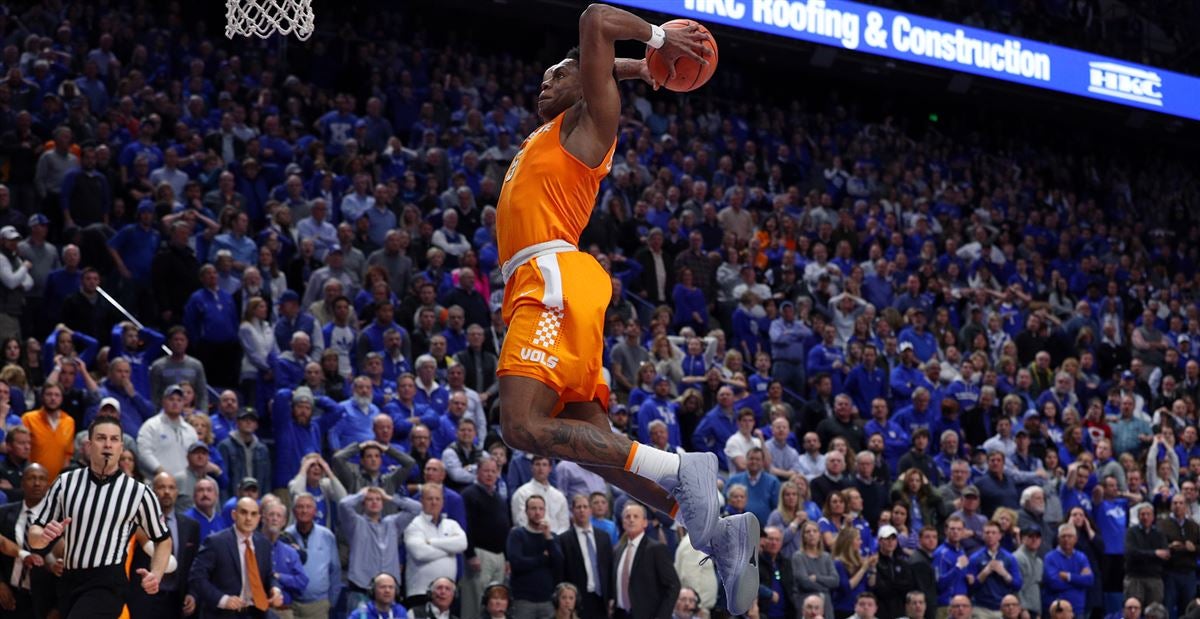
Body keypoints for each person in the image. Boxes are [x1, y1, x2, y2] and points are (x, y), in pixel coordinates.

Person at [493, 5, 754, 613]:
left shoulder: (589, 128)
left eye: (556, 76)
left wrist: (659, 37)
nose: (543, 84)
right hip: (553, 283)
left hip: (551, 277)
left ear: (583, 81)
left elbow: (595, 19)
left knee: (521, 427)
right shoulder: (553, 132)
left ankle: (684, 468)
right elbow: (603, 62)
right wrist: (648, 66)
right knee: (590, 443)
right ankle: (715, 532)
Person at [27, 415, 172, 617]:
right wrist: (41, 539)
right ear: (89, 445)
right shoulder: (65, 482)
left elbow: (163, 540)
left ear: (121, 447)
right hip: (69, 578)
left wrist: (156, 574)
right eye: (101, 438)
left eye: (114, 440)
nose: (108, 445)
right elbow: (35, 531)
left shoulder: (139, 492)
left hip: (108, 582)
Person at [189, 496, 285, 615]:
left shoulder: (263, 543)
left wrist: (275, 589)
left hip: (256, 611)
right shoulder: (216, 542)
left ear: (259, 518)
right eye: (244, 513)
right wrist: (223, 600)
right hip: (223, 613)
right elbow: (196, 577)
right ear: (234, 515)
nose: (249, 518)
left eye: (253, 514)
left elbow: (269, 575)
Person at [126, 472, 201, 618]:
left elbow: (193, 564)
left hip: (175, 600)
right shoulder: (138, 522)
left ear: (177, 492)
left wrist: (192, 593)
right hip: (142, 598)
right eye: (161, 487)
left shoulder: (191, 526)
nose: (167, 492)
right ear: (152, 491)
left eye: (171, 487)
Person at [340, 487, 422, 611]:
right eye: (369, 499)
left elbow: (416, 508)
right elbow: (343, 505)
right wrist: (361, 494)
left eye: (378, 499)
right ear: (363, 503)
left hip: (388, 593)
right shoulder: (355, 523)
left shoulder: (392, 523)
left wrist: (389, 497)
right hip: (362, 591)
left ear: (383, 503)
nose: (374, 502)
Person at [0, 464, 53, 619]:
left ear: (48, 485)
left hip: (43, 600)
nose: (37, 483)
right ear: (22, 482)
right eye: (31, 478)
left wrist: (57, 606)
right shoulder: (3, 513)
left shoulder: (57, 518)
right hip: (9, 594)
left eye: (42, 479)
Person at [612, 501, 680, 619]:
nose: (631, 520)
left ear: (644, 522)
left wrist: (662, 616)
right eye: (628, 517)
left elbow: (673, 586)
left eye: (636, 516)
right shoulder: (618, 550)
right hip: (621, 614)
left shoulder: (656, 549)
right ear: (623, 523)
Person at [403, 483, 468, 604]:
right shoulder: (413, 524)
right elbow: (420, 553)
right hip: (420, 593)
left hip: (448, 594)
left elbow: (462, 544)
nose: (434, 502)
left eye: (437, 499)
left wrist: (432, 542)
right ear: (421, 501)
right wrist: (450, 549)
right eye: (430, 499)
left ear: (443, 502)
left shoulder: (452, 524)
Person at [557, 494, 614, 619]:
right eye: (578, 507)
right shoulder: (564, 539)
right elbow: (561, 572)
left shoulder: (604, 537)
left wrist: (611, 596)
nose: (582, 510)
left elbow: (610, 569)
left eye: (585, 507)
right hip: (578, 599)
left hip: (601, 599)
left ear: (590, 510)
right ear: (572, 511)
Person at [285, 493, 341, 619]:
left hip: (318, 605)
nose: (304, 510)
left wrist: (331, 601)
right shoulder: (285, 536)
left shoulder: (327, 536)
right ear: (293, 511)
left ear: (315, 511)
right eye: (300, 507)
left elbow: (335, 570)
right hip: (291, 605)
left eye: (308, 507)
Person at [508, 495, 563, 619]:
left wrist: (548, 537)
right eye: (533, 508)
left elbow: (559, 563)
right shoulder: (517, 534)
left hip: (547, 599)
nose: (537, 512)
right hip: (523, 599)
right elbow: (517, 563)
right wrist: (542, 559)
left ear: (545, 511)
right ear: (526, 511)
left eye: (541, 509)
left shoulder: (552, 537)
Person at [1159, 494, 1200, 619]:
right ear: (1171, 506)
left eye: (1181, 503)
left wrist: (1194, 548)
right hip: (1170, 572)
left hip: (1189, 573)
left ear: (1186, 506)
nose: (1178, 506)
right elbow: (1157, 545)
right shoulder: (1162, 525)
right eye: (1175, 503)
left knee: (1188, 608)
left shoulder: (1194, 526)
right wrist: (1170, 546)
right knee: (1168, 606)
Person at [1124, 502, 1168, 607]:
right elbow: (1131, 553)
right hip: (1135, 578)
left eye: (1148, 514)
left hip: (1154, 578)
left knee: (1155, 611)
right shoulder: (1131, 532)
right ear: (1138, 516)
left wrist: (1143, 554)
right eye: (1143, 514)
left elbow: (1165, 554)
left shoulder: (1159, 533)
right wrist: (1154, 553)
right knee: (1133, 609)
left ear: (1153, 517)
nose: (1145, 517)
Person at [1014, 528, 1044, 618]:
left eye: (1037, 537)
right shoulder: (1017, 557)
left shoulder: (1039, 562)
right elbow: (1016, 587)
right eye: (1030, 536)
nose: (1034, 540)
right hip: (1021, 610)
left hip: (1034, 609)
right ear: (1023, 538)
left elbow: (1036, 588)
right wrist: (1022, 609)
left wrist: (1039, 612)